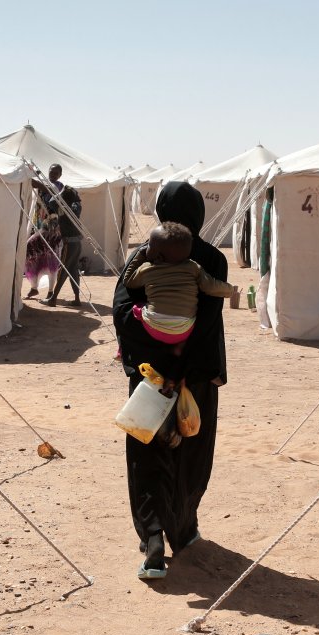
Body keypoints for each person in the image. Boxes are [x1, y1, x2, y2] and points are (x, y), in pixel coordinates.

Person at [113, 181, 228, 580]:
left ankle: (153, 538)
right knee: (191, 453)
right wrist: (186, 371)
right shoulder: (211, 258)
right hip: (194, 378)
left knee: (148, 454)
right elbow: (207, 323)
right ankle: (184, 528)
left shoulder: (145, 255)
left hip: (152, 377)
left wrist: (153, 359)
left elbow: (122, 312)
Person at [122, 221, 237, 389]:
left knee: (136, 307)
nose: (147, 247)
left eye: (149, 245)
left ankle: (121, 350)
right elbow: (211, 286)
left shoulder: (147, 269)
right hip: (185, 329)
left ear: (158, 256)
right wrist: (229, 290)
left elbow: (128, 281)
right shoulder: (193, 268)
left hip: (153, 327)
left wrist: (140, 255)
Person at [25, 164, 65, 299]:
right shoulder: (45, 183)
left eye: (55, 173)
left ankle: (50, 291)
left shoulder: (58, 186)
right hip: (39, 225)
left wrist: (29, 175)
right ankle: (34, 288)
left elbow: (44, 187)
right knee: (33, 256)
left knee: (50, 258)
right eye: (51, 172)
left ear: (59, 175)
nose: (52, 175)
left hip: (51, 228)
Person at [44, 185, 84, 307]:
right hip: (77, 243)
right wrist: (68, 193)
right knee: (73, 271)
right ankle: (77, 299)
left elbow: (51, 202)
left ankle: (53, 298)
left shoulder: (63, 209)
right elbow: (76, 201)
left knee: (64, 271)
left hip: (69, 244)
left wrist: (61, 192)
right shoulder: (76, 207)